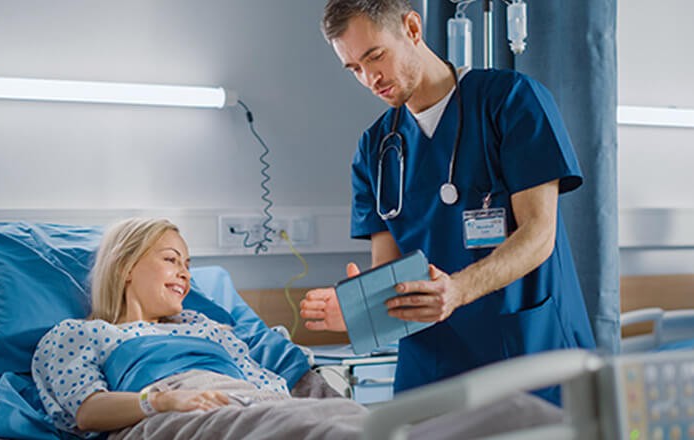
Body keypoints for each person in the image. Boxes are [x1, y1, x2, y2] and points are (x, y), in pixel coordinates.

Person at [300, 0, 596, 405]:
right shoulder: (375, 149)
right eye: (354, 69)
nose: (370, 79)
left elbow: (538, 233)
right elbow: (389, 276)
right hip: (432, 370)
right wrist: (357, 311)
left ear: (412, 28)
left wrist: (457, 290)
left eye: (375, 56)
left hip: (527, 354)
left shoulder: (511, 101)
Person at [32, 218, 366, 439]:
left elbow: (267, 389)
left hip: (248, 402)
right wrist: (164, 401)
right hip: (170, 417)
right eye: (171, 259)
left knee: (347, 416)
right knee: (310, 428)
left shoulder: (205, 327)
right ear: (125, 267)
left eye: (188, 265)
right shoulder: (82, 334)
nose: (185, 274)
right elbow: (88, 412)